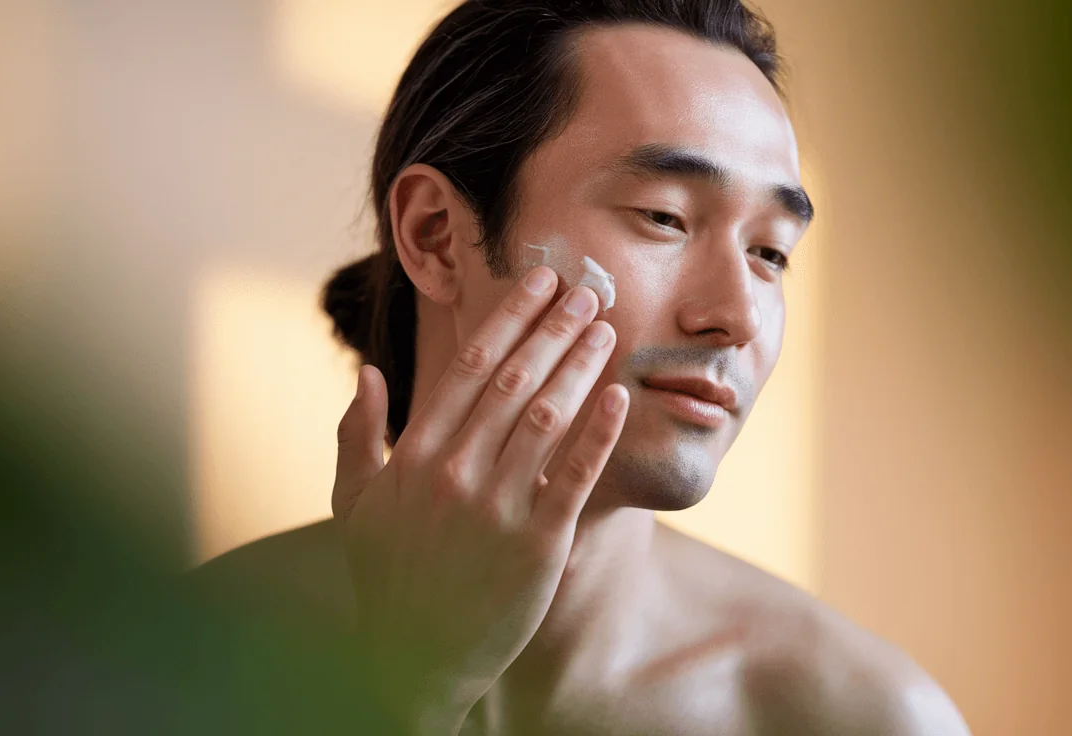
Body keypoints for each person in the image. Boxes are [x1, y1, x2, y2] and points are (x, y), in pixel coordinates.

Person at [195, 1, 971, 733]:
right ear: (435, 236)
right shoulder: (176, 661)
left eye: (770, 253)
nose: (734, 316)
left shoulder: (857, 716)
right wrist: (410, 691)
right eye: (664, 218)